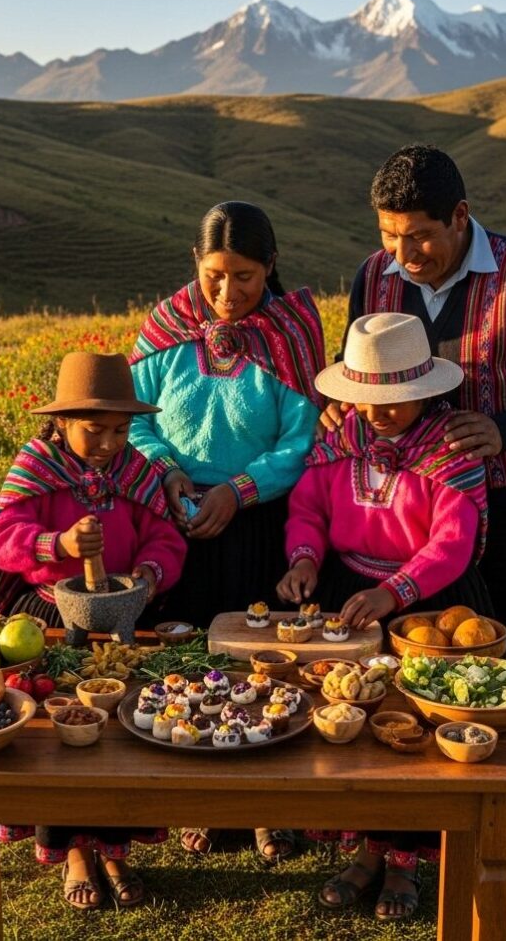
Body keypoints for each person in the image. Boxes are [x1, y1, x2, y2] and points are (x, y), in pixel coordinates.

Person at [322, 145, 506, 892]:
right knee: (420, 669)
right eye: (388, 234)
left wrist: (505, 429)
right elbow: (364, 373)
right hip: (414, 516)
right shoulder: (374, 277)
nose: (402, 253)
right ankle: (420, 827)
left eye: (418, 234)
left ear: (460, 216)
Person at [128, 200, 324, 863]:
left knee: (261, 666)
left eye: (245, 276)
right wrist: (168, 474)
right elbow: (133, 419)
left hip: (258, 523)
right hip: (177, 519)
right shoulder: (166, 331)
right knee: (191, 666)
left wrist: (237, 493)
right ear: (195, 264)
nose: (228, 292)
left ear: (270, 267)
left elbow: (302, 441)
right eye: (215, 273)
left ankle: (270, 811)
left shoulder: (293, 334)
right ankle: (203, 803)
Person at [280, 312, 488, 921]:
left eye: (394, 400)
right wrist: (305, 560)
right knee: (350, 716)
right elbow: (308, 509)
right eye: (368, 399)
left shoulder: (451, 449)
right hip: (349, 587)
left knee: (413, 726)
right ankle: (364, 848)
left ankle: (405, 860)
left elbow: (453, 541)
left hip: (425, 598)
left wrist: (395, 592)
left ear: (426, 390)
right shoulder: (338, 441)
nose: (378, 412)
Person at [0, 351, 187, 910]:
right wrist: (60, 546)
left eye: (121, 430)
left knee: (122, 733)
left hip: (124, 614)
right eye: (94, 431)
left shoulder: (134, 469)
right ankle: (74, 850)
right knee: (65, 735)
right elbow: (3, 536)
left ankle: (117, 848)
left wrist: (148, 574)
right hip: (56, 614)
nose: (108, 444)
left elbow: (165, 537)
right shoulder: (38, 466)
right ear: (63, 423)